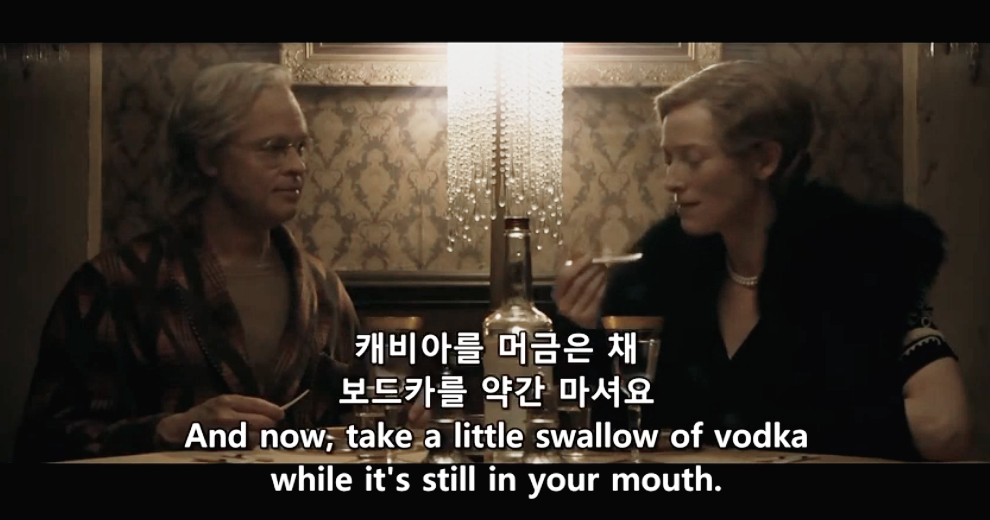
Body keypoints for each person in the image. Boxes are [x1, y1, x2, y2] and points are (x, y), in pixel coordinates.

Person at [553, 60, 972, 462]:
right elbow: (610, 432)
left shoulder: (856, 267)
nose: (671, 181)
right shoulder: (661, 282)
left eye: (692, 159)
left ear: (764, 160)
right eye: (668, 159)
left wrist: (766, 428)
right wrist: (584, 332)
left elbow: (944, 428)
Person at [14, 62, 426, 462]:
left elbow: (353, 418)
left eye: (300, 147)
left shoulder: (323, 290)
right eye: (273, 148)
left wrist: (400, 416)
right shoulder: (116, 283)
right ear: (208, 158)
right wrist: (170, 430)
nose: (297, 166)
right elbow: (42, 441)